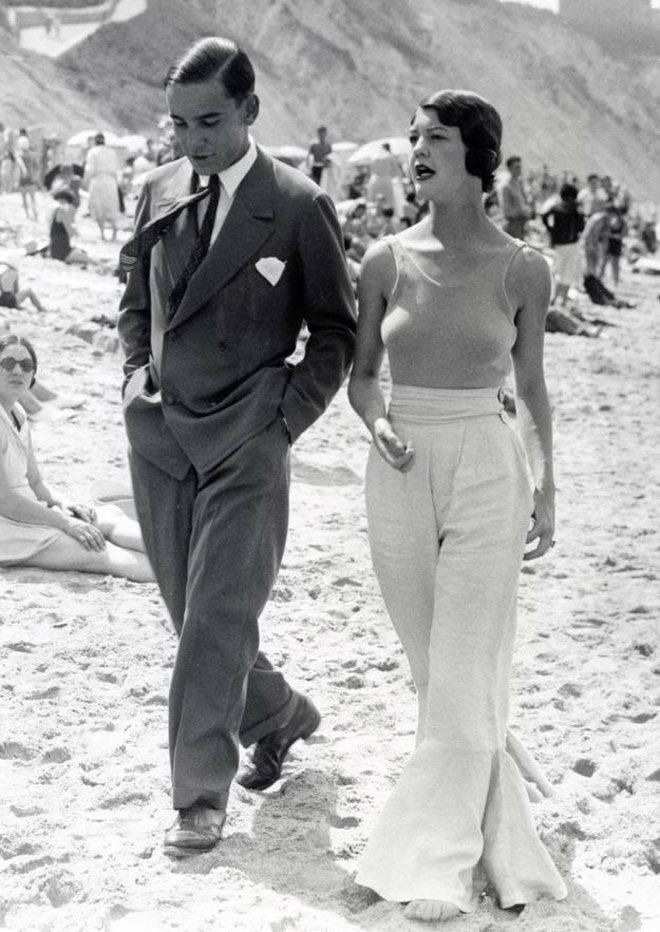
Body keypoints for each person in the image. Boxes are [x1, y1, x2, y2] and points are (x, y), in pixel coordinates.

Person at [117, 36, 356, 858]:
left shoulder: (296, 204)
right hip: (160, 435)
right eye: (179, 124)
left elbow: (336, 332)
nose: (192, 140)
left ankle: (198, 797)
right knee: (192, 617)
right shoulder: (157, 189)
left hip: (247, 438)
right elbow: (134, 297)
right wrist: (134, 378)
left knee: (218, 616)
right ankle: (279, 714)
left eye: (209, 122)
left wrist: (283, 420)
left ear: (250, 110)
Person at [348, 90, 567, 922]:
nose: (415, 150)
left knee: (465, 666)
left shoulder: (525, 267)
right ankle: (502, 834)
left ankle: (432, 865)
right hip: (400, 464)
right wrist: (377, 424)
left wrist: (547, 484)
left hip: (487, 460)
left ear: (478, 156)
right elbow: (362, 376)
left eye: (434, 137)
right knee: (434, 673)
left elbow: (533, 388)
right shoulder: (384, 261)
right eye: (413, 137)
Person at [0, 333, 153, 582]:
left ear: (33, 375)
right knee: (99, 551)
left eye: (26, 365)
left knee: (108, 516)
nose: (17, 370)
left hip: (28, 510)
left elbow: (36, 482)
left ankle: (184, 554)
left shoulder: (17, 412)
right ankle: (186, 577)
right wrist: (64, 522)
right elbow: (5, 500)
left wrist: (65, 504)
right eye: (8, 363)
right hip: (7, 528)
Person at [541, 182, 585, 306]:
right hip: (571, 244)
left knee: (558, 272)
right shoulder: (574, 210)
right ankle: (562, 299)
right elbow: (581, 227)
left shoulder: (557, 208)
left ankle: (554, 298)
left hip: (560, 244)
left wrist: (551, 230)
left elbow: (544, 216)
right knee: (566, 273)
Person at [84, 133, 120, 241]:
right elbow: (116, 169)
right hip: (110, 181)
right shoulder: (112, 152)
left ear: (95, 141)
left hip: (98, 180)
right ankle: (114, 231)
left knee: (99, 207)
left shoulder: (92, 152)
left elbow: (90, 169)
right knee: (111, 206)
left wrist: (85, 181)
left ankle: (102, 233)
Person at [47, 189, 94, 265]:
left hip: (55, 251)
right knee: (91, 260)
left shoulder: (56, 212)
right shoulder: (62, 212)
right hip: (63, 253)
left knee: (83, 254)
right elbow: (71, 232)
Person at [500, 155, 533, 239]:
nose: (519, 169)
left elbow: (525, 202)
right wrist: (522, 212)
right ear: (509, 169)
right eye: (517, 167)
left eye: (520, 167)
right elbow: (507, 211)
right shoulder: (506, 187)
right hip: (514, 225)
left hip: (524, 223)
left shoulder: (520, 183)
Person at [599, 205, 626, 286]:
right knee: (603, 263)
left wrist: (610, 235)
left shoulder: (622, 222)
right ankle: (599, 280)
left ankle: (615, 282)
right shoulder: (609, 221)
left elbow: (622, 235)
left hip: (616, 245)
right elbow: (604, 232)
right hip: (608, 244)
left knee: (615, 264)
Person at [16, 130, 39, 222]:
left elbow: (19, 168)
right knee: (33, 198)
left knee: (24, 198)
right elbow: (37, 167)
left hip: (22, 179)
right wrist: (35, 177)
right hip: (31, 179)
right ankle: (35, 213)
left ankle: (27, 215)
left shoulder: (19, 155)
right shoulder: (32, 155)